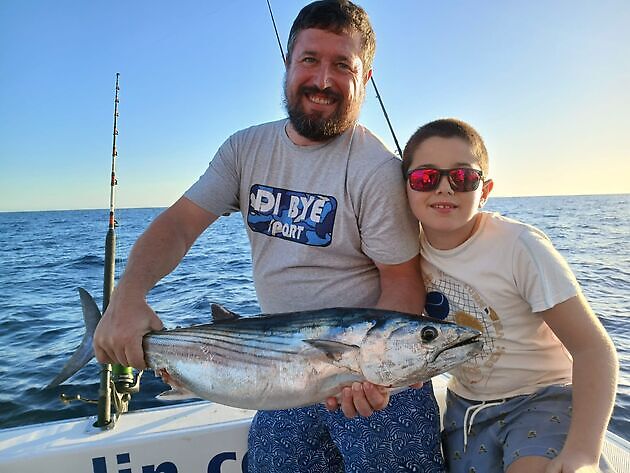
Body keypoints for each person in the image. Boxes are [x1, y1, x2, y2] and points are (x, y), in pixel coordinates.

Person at [94, 1, 444, 472]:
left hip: (371, 383)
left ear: (367, 75)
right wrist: (128, 296)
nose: (322, 80)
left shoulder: (376, 170)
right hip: (277, 369)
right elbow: (178, 225)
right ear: (287, 62)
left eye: (342, 65)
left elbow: (402, 282)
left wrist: (373, 373)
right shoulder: (245, 149)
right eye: (309, 60)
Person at [402, 118, 619, 473]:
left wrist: (582, 452)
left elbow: (593, 349)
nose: (444, 188)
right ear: (406, 187)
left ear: (484, 191)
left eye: (463, 178)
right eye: (426, 178)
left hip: (542, 398)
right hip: (464, 408)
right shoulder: (402, 252)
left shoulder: (520, 246)